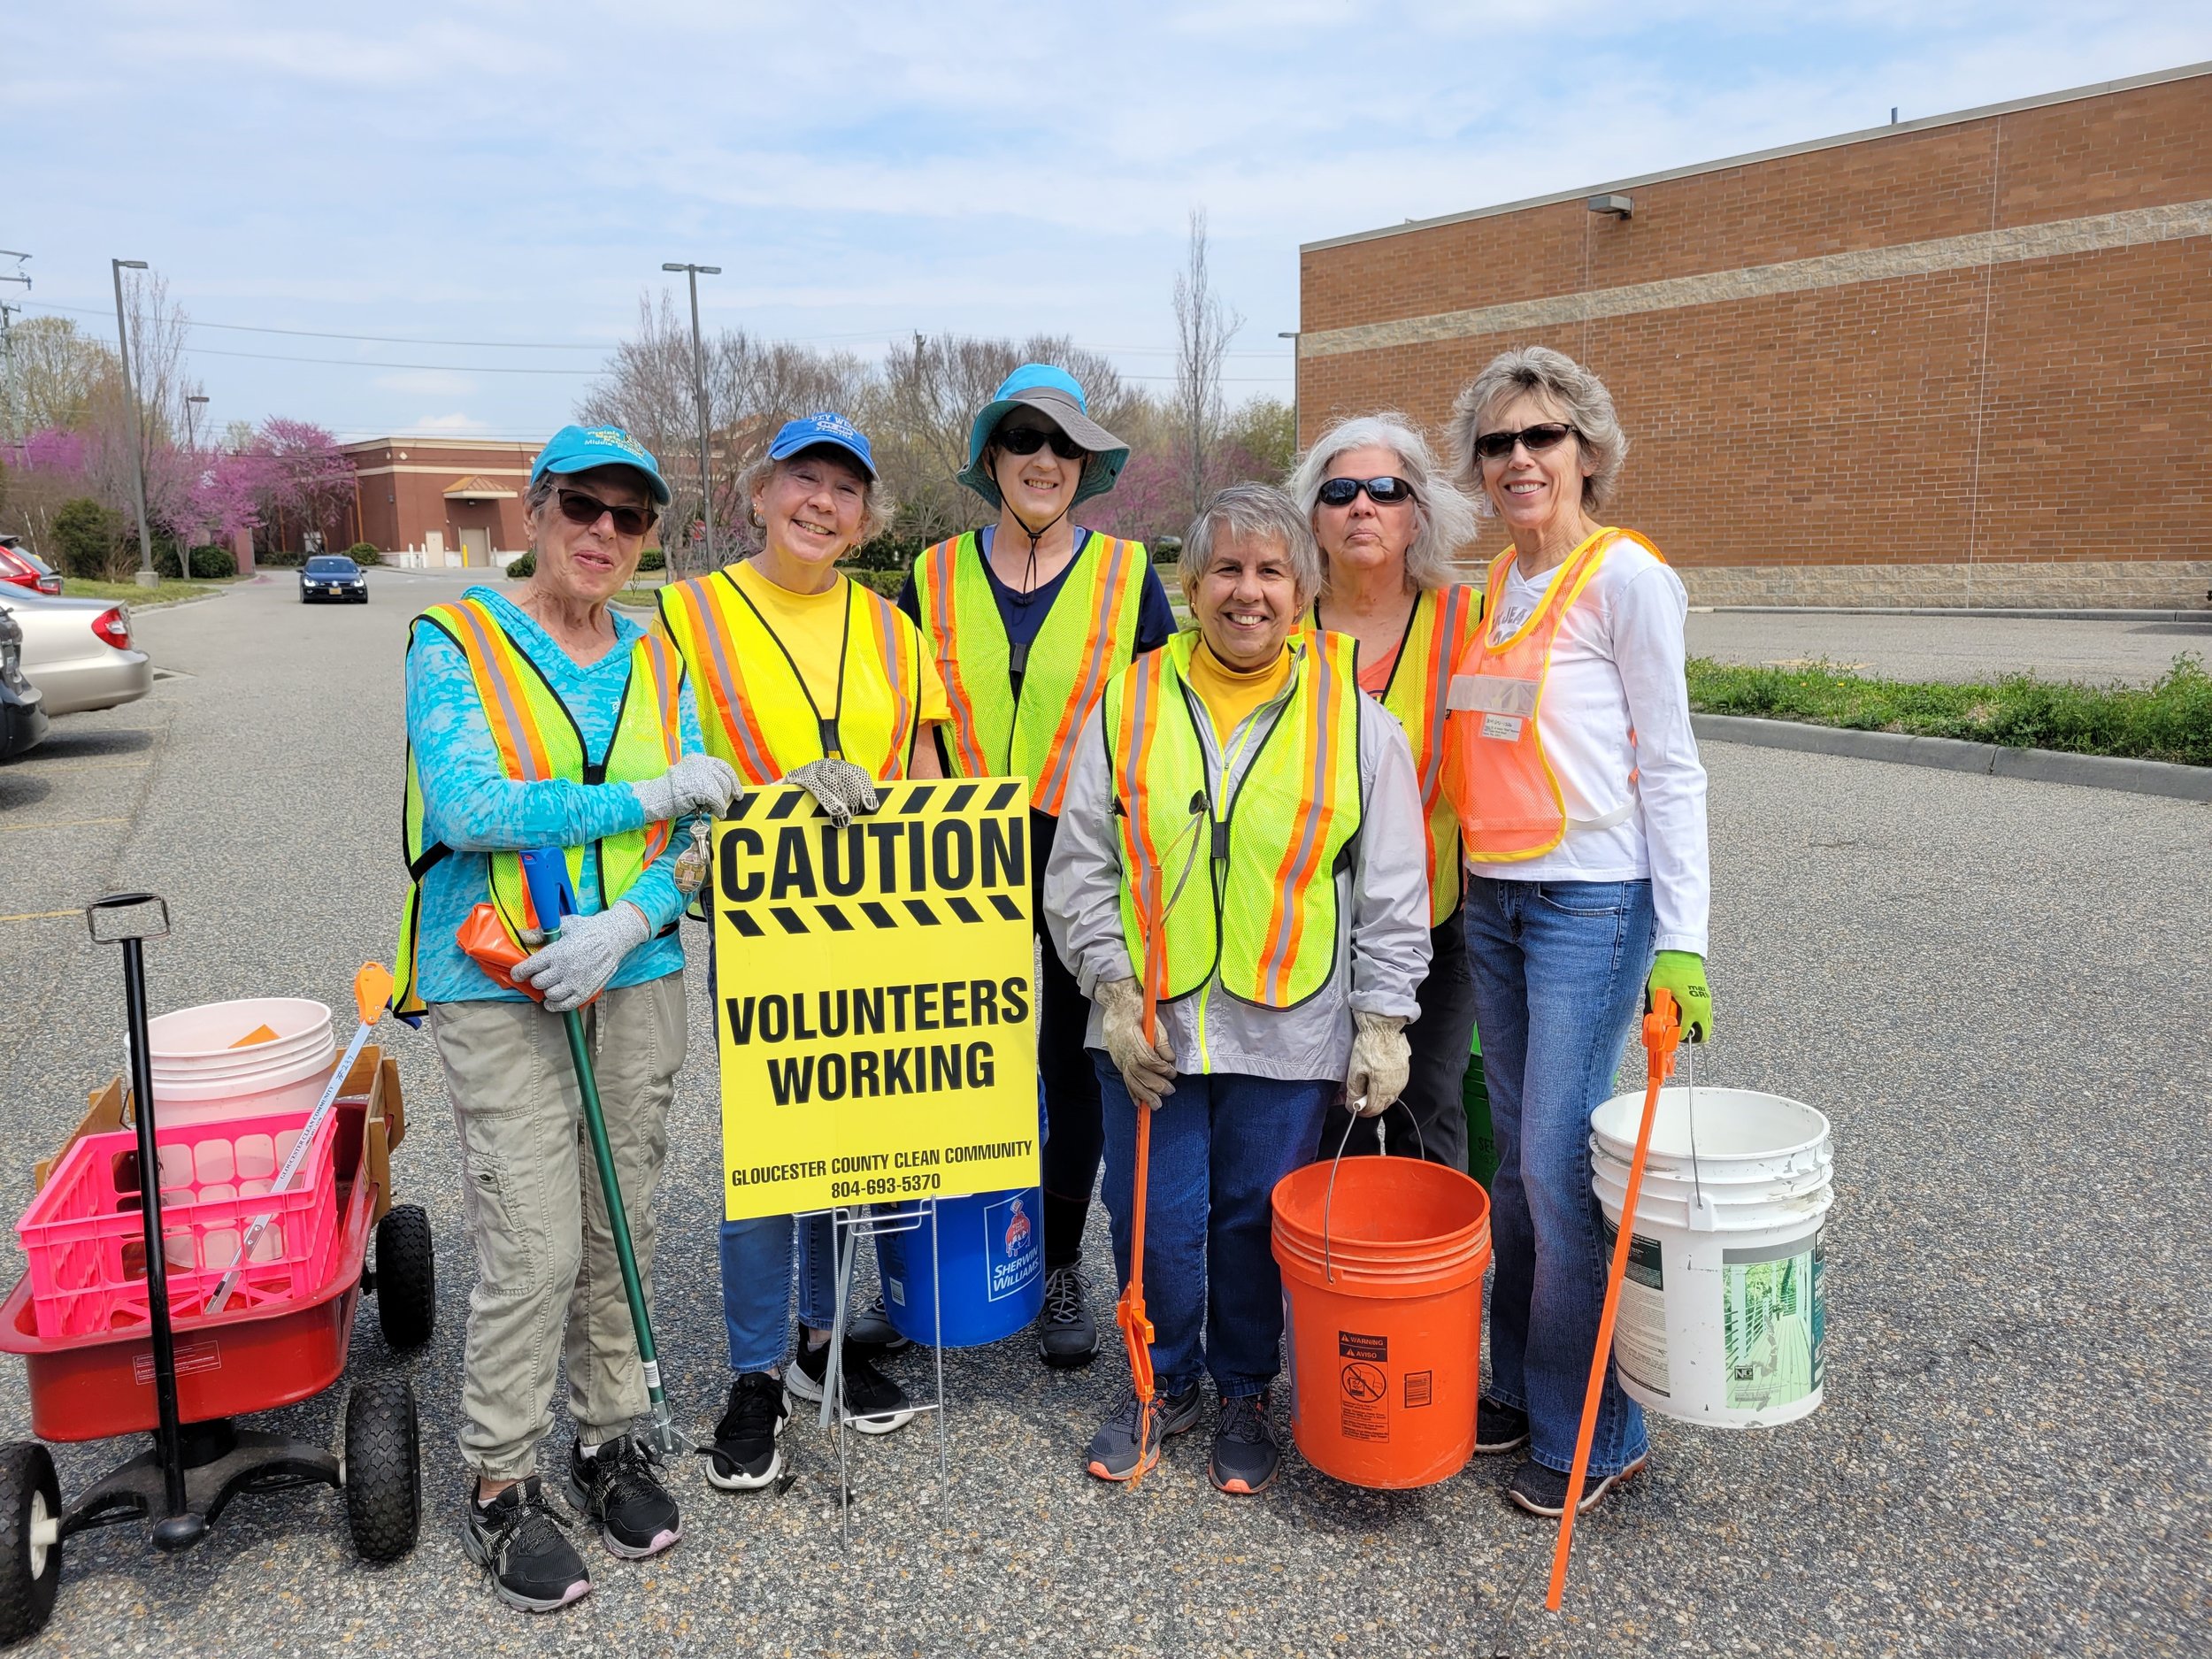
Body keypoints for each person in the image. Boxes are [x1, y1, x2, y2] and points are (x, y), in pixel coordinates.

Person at [396, 424, 740, 1612]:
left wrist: (632, 920)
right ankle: (501, 1478)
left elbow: (699, 826)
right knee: (535, 1237)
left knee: (619, 1222)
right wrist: (640, 794)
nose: (603, 533)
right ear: (536, 512)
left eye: (630, 517)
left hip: (634, 972)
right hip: (500, 975)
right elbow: (470, 800)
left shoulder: (657, 655)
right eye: (582, 508)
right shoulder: (456, 638)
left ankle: (607, 1439)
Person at [1045, 484, 1431, 1494]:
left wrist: (1383, 1023)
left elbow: (1393, 890)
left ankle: (1246, 1387)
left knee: (1256, 1218)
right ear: (1189, 585)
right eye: (1225, 570)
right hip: (1149, 1026)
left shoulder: (1358, 724)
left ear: (1303, 592)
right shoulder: (1126, 703)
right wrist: (1114, 995)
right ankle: (1157, 1381)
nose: (1246, 593)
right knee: (1151, 1216)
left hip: (1291, 1026)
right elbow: (1079, 867)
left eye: (1269, 572)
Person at [1441, 346, 1712, 1520]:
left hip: (1592, 903)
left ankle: (1601, 1430)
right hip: (1495, 897)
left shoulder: (1627, 578)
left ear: (1588, 452)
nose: (1518, 458)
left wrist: (1684, 939)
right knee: (1516, 1167)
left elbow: (1677, 761)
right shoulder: (1496, 581)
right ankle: (1526, 1389)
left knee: (1559, 1168)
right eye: (1497, 442)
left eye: (1540, 437)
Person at [656, 412, 950, 1492]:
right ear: (759, 492)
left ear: (866, 515)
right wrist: (776, 800)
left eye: (843, 490)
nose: (820, 504)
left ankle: (822, 1344)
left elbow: (918, 771)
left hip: (872, 929)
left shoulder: (892, 629)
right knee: (765, 1158)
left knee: (850, 1143)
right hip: (760, 922)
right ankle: (751, 1375)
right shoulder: (688, 614)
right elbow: (668, 765)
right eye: (802, 481)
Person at [901, 364, 1177, 1368]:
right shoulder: (928, 576)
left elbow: (1157, 718)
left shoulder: (1126, 574)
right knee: (945, 1056)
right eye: (1024, 441)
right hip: (958, 847)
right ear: (992, 460)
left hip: (1080, 851)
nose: (1044, 460)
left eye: (1064, 445)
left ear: (1086, 465)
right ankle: (936, 1251)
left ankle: (1056, 1263)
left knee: (1070, 1063)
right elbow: (903, 714)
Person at [1286, 413, 1485, 1171]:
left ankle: (1431, 1280)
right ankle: (1333, 1275)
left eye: (1385, 490)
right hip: (1305, 926)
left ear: (1417, 515)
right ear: (1313, 516)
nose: (1361, 506)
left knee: (1426, 1104)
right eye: (1340, 491)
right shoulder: (1279, 626)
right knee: (1323, 1114)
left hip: (1437, 920)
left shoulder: (1467, 621)